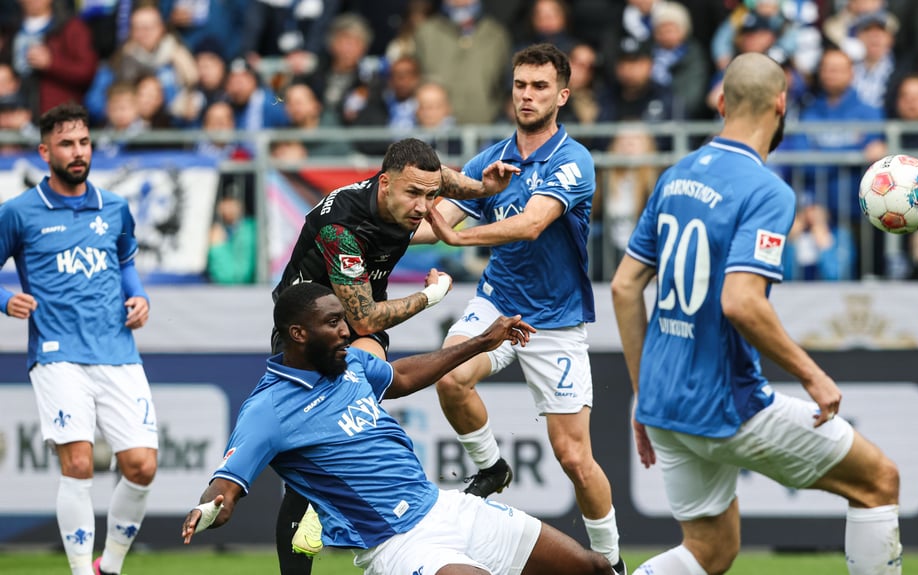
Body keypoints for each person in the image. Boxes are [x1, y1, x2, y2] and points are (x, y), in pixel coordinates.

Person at [609, 52, 903, 575]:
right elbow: (741, 301)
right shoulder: (767, 190)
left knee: (710, 551)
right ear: (781, 104)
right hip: (724, 404)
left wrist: (642, 391)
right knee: (878, 480)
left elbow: (625, 286)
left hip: (663, 403)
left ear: (722, 103)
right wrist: (812, 375)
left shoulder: (675, 176)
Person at [181, 282, 617, 575]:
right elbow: (224, 488)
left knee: (593, 567)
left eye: (343, 320)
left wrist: (483, 342)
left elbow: (403, 377)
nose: (345, 330)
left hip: (445, 508)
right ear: (297, 334)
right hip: (399, 545)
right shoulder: (268, 409)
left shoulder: (350, 362)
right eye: (332, 323)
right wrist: (208, 511)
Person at [418, 43, 625, 574]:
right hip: (497, 303)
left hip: (554, 322)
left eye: (538, 87)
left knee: (575, 459)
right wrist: (359, 230)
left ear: (563, 94)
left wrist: (462, 241)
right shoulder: (489, 160)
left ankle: (611, 562)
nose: (527, 95)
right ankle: (492, 469)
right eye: (519, 85)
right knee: (448, 377)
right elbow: (431, 223)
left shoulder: (573, 159)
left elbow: (532, 222)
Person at [271, 137, 519, 575]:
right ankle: (319, 505)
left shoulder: (417, 184)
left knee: (363, 387)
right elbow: (364, 319)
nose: (425, 206)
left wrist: (483, 189)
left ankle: (334, 502)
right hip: (305, 336)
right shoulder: (342, 227)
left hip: (352, 329)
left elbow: (443, 180)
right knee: (317, 442)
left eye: (430, 196)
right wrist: (431, 295)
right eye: (414, 194)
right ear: (384, 184)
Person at [0, 103, 157, 575]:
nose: (77, 152)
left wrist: (139, 297)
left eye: (84, 142)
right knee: (80, 462)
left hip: (117, 351)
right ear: (45, 151)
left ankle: (108, 566)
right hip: (56, 353)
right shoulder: (18, 213)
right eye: (66, 144)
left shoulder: (115, 208)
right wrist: (5, 300)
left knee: (142, 467)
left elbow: (126, 262)